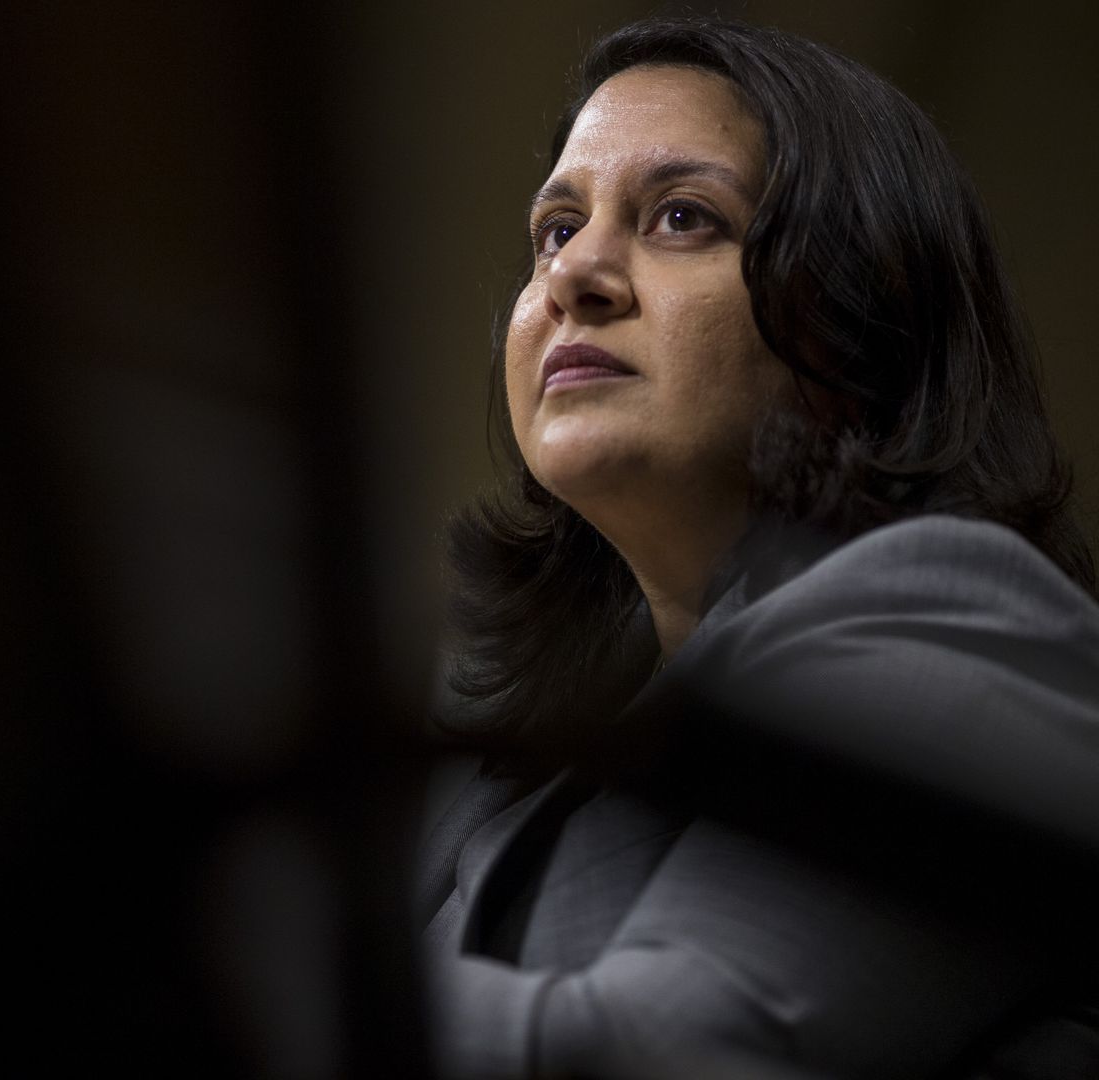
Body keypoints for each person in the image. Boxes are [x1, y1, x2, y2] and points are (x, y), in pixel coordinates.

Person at [419, 16, 1099, 1079]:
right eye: (554, 229)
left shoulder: (970, 619)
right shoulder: (500, 730)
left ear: (857, 318)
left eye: (682, 217)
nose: (577, 275)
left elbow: (667, 1056)